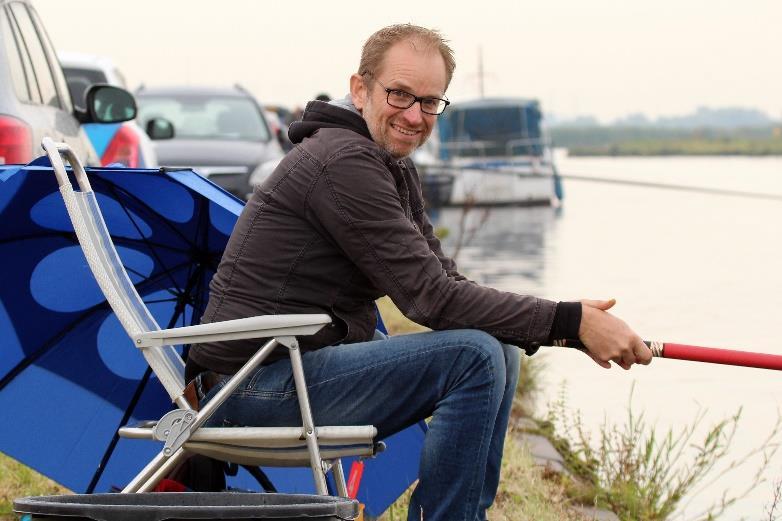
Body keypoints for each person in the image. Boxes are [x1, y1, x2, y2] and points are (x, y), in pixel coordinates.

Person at [186, 23, 652, 521]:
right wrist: (570, 320)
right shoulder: (342, 162)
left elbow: (448, 285)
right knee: (473, 356)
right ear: (360, 89)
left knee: (499, 349)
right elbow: (428, 301)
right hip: (250, 387)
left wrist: (565, 327)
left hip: (300, 367)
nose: (414, 116)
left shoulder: (386, 163)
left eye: (430, 102)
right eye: (400, 94)